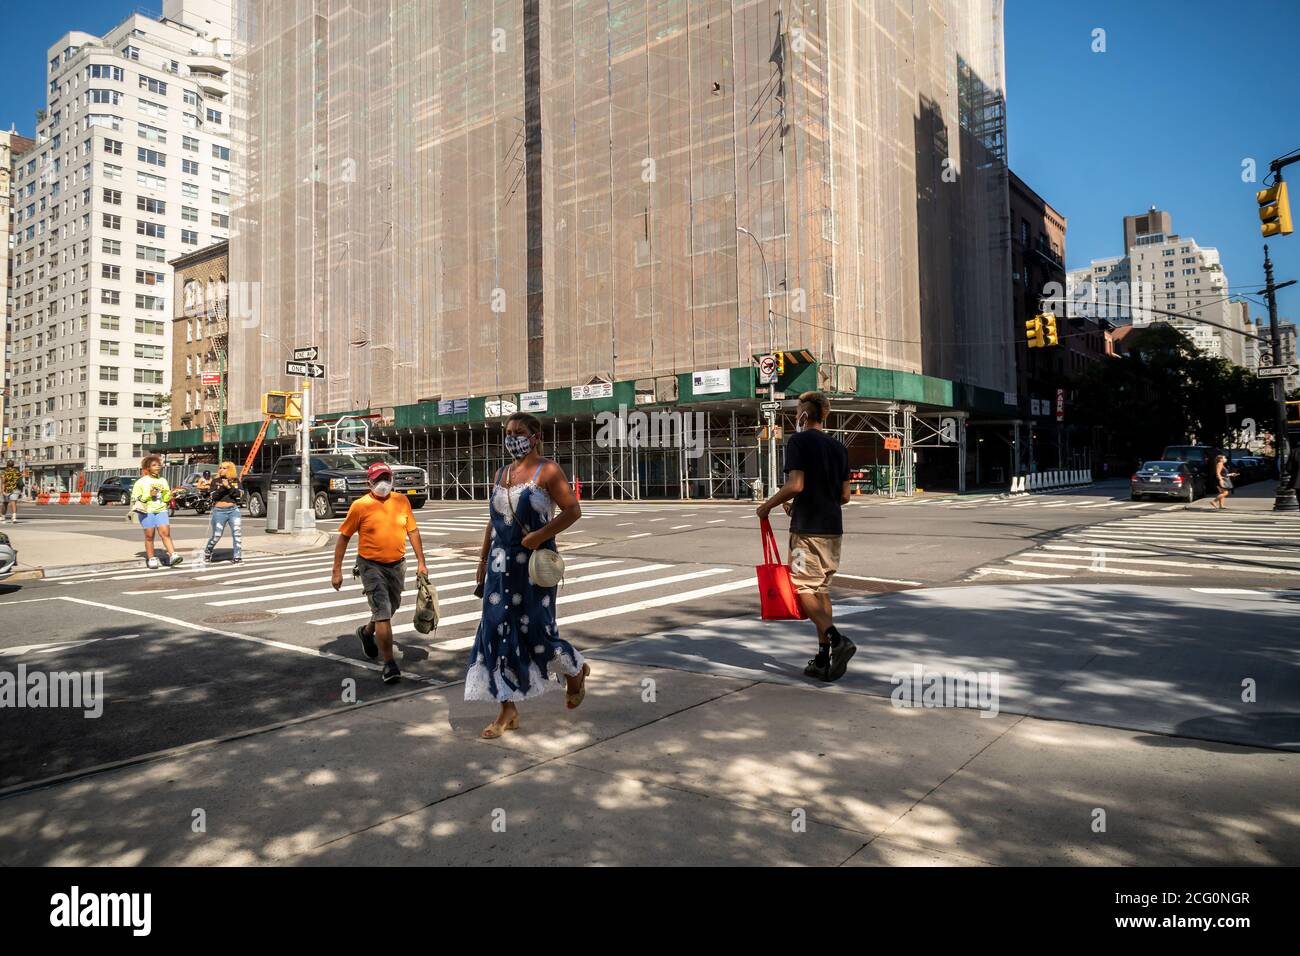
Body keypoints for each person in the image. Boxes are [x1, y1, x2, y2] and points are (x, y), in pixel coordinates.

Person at [467, 412, 588, 739]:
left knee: (536, 629)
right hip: (499, 565)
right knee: (493, 630)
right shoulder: (502, 473)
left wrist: (540, 535)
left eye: (519, 432)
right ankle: (507, 709)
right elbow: (494, 520)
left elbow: (573, 510)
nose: (512, 438)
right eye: (508, 432)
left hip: (534, 566)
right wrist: (482, 559)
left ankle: (574, 669)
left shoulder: (547, 470)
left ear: (535, 436)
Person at [757, 391, 855, 682]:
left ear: (803, 414)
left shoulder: (798, 441)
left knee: (801, 588)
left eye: (798, 408)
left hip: (807, 529)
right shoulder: (839, 447)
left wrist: (767, 506)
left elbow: (796, 484)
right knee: (821, 589)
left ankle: (837, 641)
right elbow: (845, 496)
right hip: (832, 528)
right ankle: (823, 658)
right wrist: (807, 503)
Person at [331, 461, 428, 684]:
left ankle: (366, 632)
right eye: (378, 480)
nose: (383, 483)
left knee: (390, 608)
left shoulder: (401, 501)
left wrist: (421, 562)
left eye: (386, 478)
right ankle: (389, 664)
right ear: (369, 482)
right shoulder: (360, 506)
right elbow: (344, 538)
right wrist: (337, 570)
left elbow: (412, 531)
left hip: (397, 564)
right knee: (383, 611)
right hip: (370, 566)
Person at [132, 455, 183, 568]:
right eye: (154, 465)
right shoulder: (141, 482)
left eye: (159, 465)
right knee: (149, 536)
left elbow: (165, 499)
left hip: (161, 510)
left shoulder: (163, 480)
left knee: (165, 533)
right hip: (146, 511)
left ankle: (173, 555)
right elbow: (134, 498)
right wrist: (148, 495)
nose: (157, 467)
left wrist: (171, 494)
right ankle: (151, 558)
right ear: (148, 467)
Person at [203, 461, 243, 563]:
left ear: (230, 469)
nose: (221, 469)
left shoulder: (235, 481)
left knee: (237, 533)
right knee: (217, 535)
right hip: (219, 510)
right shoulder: (215, 481)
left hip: (233, 510)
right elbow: (213, 496)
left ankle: (237, 556)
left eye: (224, 468)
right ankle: (208, 551)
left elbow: (239, 494)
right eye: (220, 467)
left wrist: (229, 487)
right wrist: (223, 487)